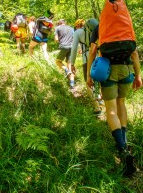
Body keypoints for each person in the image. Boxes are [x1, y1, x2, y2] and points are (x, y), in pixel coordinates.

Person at [87, 24, 142, 177]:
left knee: (111, 109)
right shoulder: (125, 24)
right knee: (121, 103)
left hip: (107, 70)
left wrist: (88, 75)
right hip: (126, 70)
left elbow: (92, 51)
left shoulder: (99, 27)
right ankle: (124, 144)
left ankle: (122, 149)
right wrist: (138, 75)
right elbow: (134, 53)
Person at [70, 18, 102, 115]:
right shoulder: (98, 30)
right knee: (97, 79)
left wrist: (72, 63)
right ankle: (99, 98)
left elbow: (74, 48)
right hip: (99, 58)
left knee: (88, 82)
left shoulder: (78, 32)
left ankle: (97, 108)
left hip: (87, 59)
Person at [54, 19, 75, 89]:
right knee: (70, 65)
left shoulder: (57, 28)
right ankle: (72, 84)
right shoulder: (71, 28)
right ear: (65, 23)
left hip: (64, 46)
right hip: (72, 47)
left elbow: (56, 39)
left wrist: (57, 40)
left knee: (58, 61)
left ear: (59, 23)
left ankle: (66, 69)